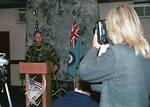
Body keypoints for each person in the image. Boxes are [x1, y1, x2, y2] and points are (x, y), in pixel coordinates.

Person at [79, 4, 150, 107]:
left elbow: (84, 71)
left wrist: (95, 47)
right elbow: (102, 86)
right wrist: (102, 58)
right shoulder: (144, 52)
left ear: (114, 27)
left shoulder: (117, 53)